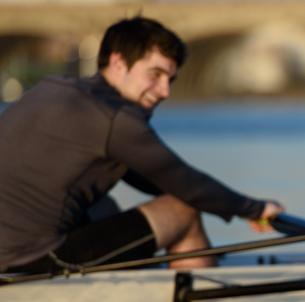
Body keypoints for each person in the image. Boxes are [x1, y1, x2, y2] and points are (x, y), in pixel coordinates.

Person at [0, 17, 284, 275]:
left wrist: (223, 203)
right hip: (29, 258)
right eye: (155, 74)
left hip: (11, 248)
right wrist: (254, 208)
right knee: (182, 211)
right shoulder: (115, 120)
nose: (165, 91)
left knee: (105, 206)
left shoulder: (55, 86)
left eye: (170, 79)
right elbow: (188, 185)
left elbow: (156, 177)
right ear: (118, 63)